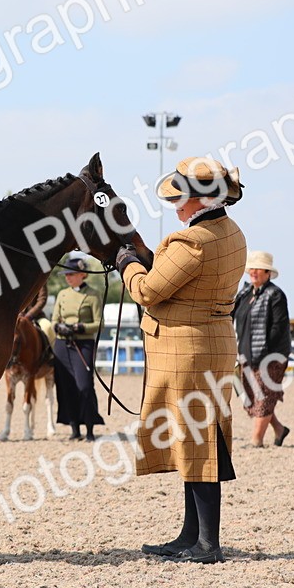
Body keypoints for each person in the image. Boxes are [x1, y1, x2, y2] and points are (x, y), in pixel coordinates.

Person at [115, 157, 247, 564]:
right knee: (198, 441)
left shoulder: (193, 242)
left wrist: (127, 265)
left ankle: (207, 544)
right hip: (211, 345)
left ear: (201, 200)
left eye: (182, 199)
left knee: (198, 444)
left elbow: (149, 290)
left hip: (189, 352)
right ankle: (192, 534)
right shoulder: (232, 233)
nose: (176, 206)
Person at [232, 251, 292, 447]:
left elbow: (279, 327)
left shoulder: (275, 295)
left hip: (271, 356)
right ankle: (280, 429)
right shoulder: (244, 294)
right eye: (252, 268)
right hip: (246, 354)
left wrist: (266, 353)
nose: (253, 272)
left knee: (264, 396)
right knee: (252, 396)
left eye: (258, 268)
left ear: (267, 272)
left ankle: (256, 440)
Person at [51, 258, 104, 441]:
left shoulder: (93, 295)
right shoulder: (62, 294)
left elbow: (99, 323)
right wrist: (58, 328)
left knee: (85, 386)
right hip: (62, 345)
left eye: (71, 274)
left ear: (83, 275)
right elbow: (54, 320)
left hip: (83, 344)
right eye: (66, 274)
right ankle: (74, 428)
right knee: (66, 386)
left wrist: (80, 328)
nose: (68, 278)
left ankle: (89, 428)